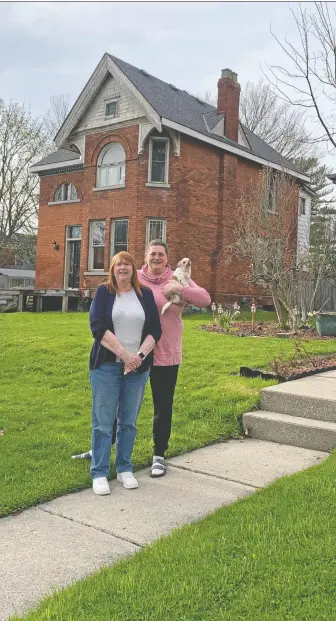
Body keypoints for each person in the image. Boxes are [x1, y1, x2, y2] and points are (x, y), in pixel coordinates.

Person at [89, 251, 162, 495]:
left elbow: (155, 329)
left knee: (128, 422)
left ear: (133, 269)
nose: (123, 268)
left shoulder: (145, 294)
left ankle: (124, 469)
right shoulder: (103, 292)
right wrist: (125, 355)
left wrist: (138, 358)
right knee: (103, 422)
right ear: (112, 268)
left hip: (137, 369)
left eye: (127, 264)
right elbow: (97, 327)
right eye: (118, 264)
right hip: (107, 366)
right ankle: (99, 473)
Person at [138, 240, 211, 477]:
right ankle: (102, 448)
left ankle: (159, 455)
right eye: (152, 254)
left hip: (166, 353)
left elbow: (205, 299)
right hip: (135, 353)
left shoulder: (178, 279)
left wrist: (180, 290)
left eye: (161, 254)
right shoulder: (135, 278)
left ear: (168, 258)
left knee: (162, 406)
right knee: (121, 404)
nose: (156, 258)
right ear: (146, 256)